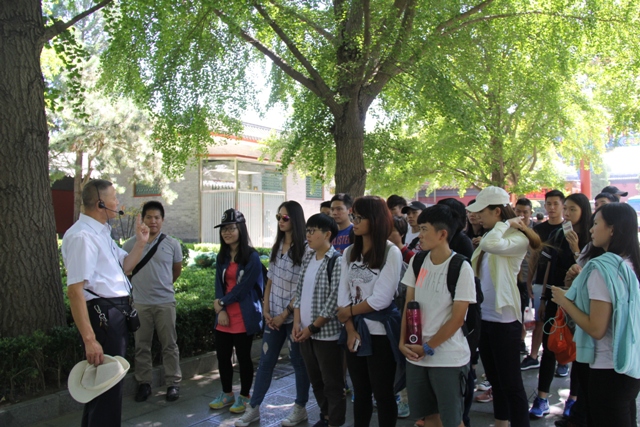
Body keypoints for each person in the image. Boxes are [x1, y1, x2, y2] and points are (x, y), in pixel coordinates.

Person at [62, 179, 149, 427]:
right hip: (103, 315)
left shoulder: (101, 233)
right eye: (114, 197)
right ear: (101, 203)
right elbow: (75, 291)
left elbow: (126, 266)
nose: (118, 202)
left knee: (105, 388)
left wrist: (140, 243)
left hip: (115, 314)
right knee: (106, 390)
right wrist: (90, 339)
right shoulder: (82, 236)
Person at [551, 202, 640, 427]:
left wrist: (564, 300)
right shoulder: (630, 264)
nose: (591, 230)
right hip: (630, 364)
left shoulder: (603, 269)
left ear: (612, 229)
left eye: (596, 223)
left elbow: (596, 328)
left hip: (608, 366)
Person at [466, 186, 541, 427]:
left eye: (482, 211)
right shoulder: (493, 235)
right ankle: (501, 422)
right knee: (496, 381)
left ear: (497, 211)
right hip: (485, 316)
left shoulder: (517, 238)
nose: (478, 216)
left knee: (511, 385)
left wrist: (506, 224)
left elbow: (491, 245)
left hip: (505, 320)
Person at [235, 201, 310, 426]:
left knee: (298, 362)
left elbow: (303, 287)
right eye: (278, 217)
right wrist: (266, 310)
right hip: (273, 317)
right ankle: (254, 408)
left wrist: (285, 314)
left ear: (295, 219)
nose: (280, 221)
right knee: (266, 362)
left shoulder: (306, 249)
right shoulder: (277, 246)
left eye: (285, 217)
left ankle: (300, 408)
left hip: (294, 318)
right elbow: (270, 281)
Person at [399, 205, 476, 427]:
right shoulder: (418, 261)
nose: (419, 235)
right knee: (428, 418)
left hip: (448, 358)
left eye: (424, 229)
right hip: (416, 355)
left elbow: (457, 319)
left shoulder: (461, 267)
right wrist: (403, 342)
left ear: (442, 234)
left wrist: (428, 347)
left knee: (452, 420)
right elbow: (409, 306)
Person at [336, 196, 403, 427]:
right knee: (360, 392)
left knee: (383, 393)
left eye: (359, 217)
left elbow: (381, 300)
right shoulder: (349, 253)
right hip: (354, 330)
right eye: (353, 216)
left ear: (375, 219)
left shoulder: (391, 252)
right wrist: (350, 328)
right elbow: (342, 294)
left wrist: (348, 313)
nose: (353, 222)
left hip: (381, 332)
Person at [529, 193, 592, 418]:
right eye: (566, 208)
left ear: (584, 211)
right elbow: (549, 266)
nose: (567, 213)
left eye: (572, 209)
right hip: (555, 296)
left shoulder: (591, 235)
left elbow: (589, 271)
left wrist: (576, 248)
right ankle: (542, 398)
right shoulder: (558, 233)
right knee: (550, 347)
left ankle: (572, 400)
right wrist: (543, 298)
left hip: (580, 302)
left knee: (577, 351)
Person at [123, 201, 183, 403]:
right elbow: (125, 271)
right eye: (149, 217)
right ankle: (144, 383)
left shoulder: (172, 244)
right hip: (140, 303)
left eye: (157, 217)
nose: (153, 221)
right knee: (142, 345)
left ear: (162, 220)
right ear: (143, 219)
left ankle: (173, 383)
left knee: (170, 345)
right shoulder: (129, 245)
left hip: (165, 302)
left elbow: (176, 270)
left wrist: (164, 286)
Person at [292, 213, 345, 427]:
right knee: (316, 380)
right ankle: (325, 416)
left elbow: (333, 300)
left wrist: (313, 327)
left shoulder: (337, 260)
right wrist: (297, 323)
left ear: (327, 234)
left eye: (313, 231)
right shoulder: (308, 258)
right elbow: (299, 292)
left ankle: (335, 421)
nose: (308, 235)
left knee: (332, 382)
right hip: (305, 331)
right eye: (307, 230)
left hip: (326, 335)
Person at [209, 209, 264, 414]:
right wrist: (220, 308)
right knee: (223, 357)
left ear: (241, 229)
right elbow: (218, 283)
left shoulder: (252, 257)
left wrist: (221, 302)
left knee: (243, 357)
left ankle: (244, 395)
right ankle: (227, 393)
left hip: (243, 314)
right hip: (224, 314)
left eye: (231, 228)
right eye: (224, 229)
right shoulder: (222, 256)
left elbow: (243, 288)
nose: (227, 232)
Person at [521, 190, 565, 371]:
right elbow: (532, 257)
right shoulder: (538, 230)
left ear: (562, 205)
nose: (552, 207)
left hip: (562, 282)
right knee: (540, 319)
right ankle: (533, 355)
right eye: (549, 204)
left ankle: (563, 360)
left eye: (556, 204)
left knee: (562, 320)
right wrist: (529, 281)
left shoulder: (568, 229)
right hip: (540, 281)